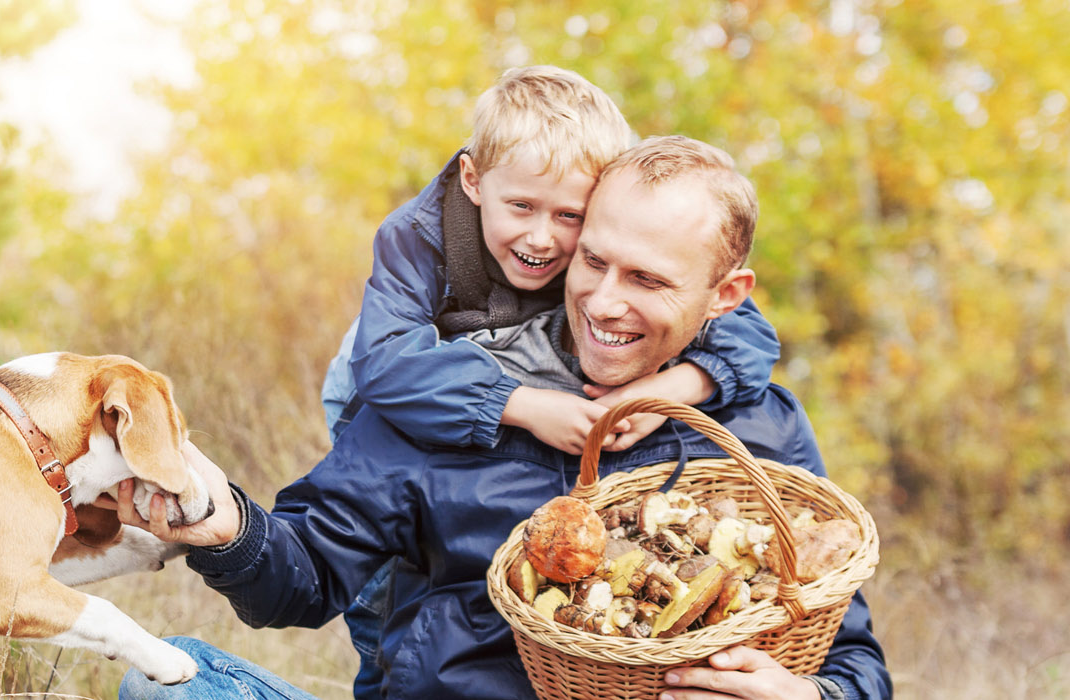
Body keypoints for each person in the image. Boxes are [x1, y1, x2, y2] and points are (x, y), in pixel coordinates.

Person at [110, 137, 891, 700]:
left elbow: (856, 662)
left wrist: (805, 696)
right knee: (169, 683)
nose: (604, 302)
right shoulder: (445, 394)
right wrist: (226, 529)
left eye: (647, 280)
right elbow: (302, 584)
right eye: (593, 261)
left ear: (726, 296)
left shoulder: (762, 431)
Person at [322, 65, 786, 698]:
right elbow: (384, 362)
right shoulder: (419, 238)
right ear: (473, 179)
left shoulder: (631, 251)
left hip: (516, 369)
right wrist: (521, 405)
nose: (543, 238)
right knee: (384, 590)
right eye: (521, 207)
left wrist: (667, 391)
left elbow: (750, 336)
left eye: (570, 216)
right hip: (387, 382)